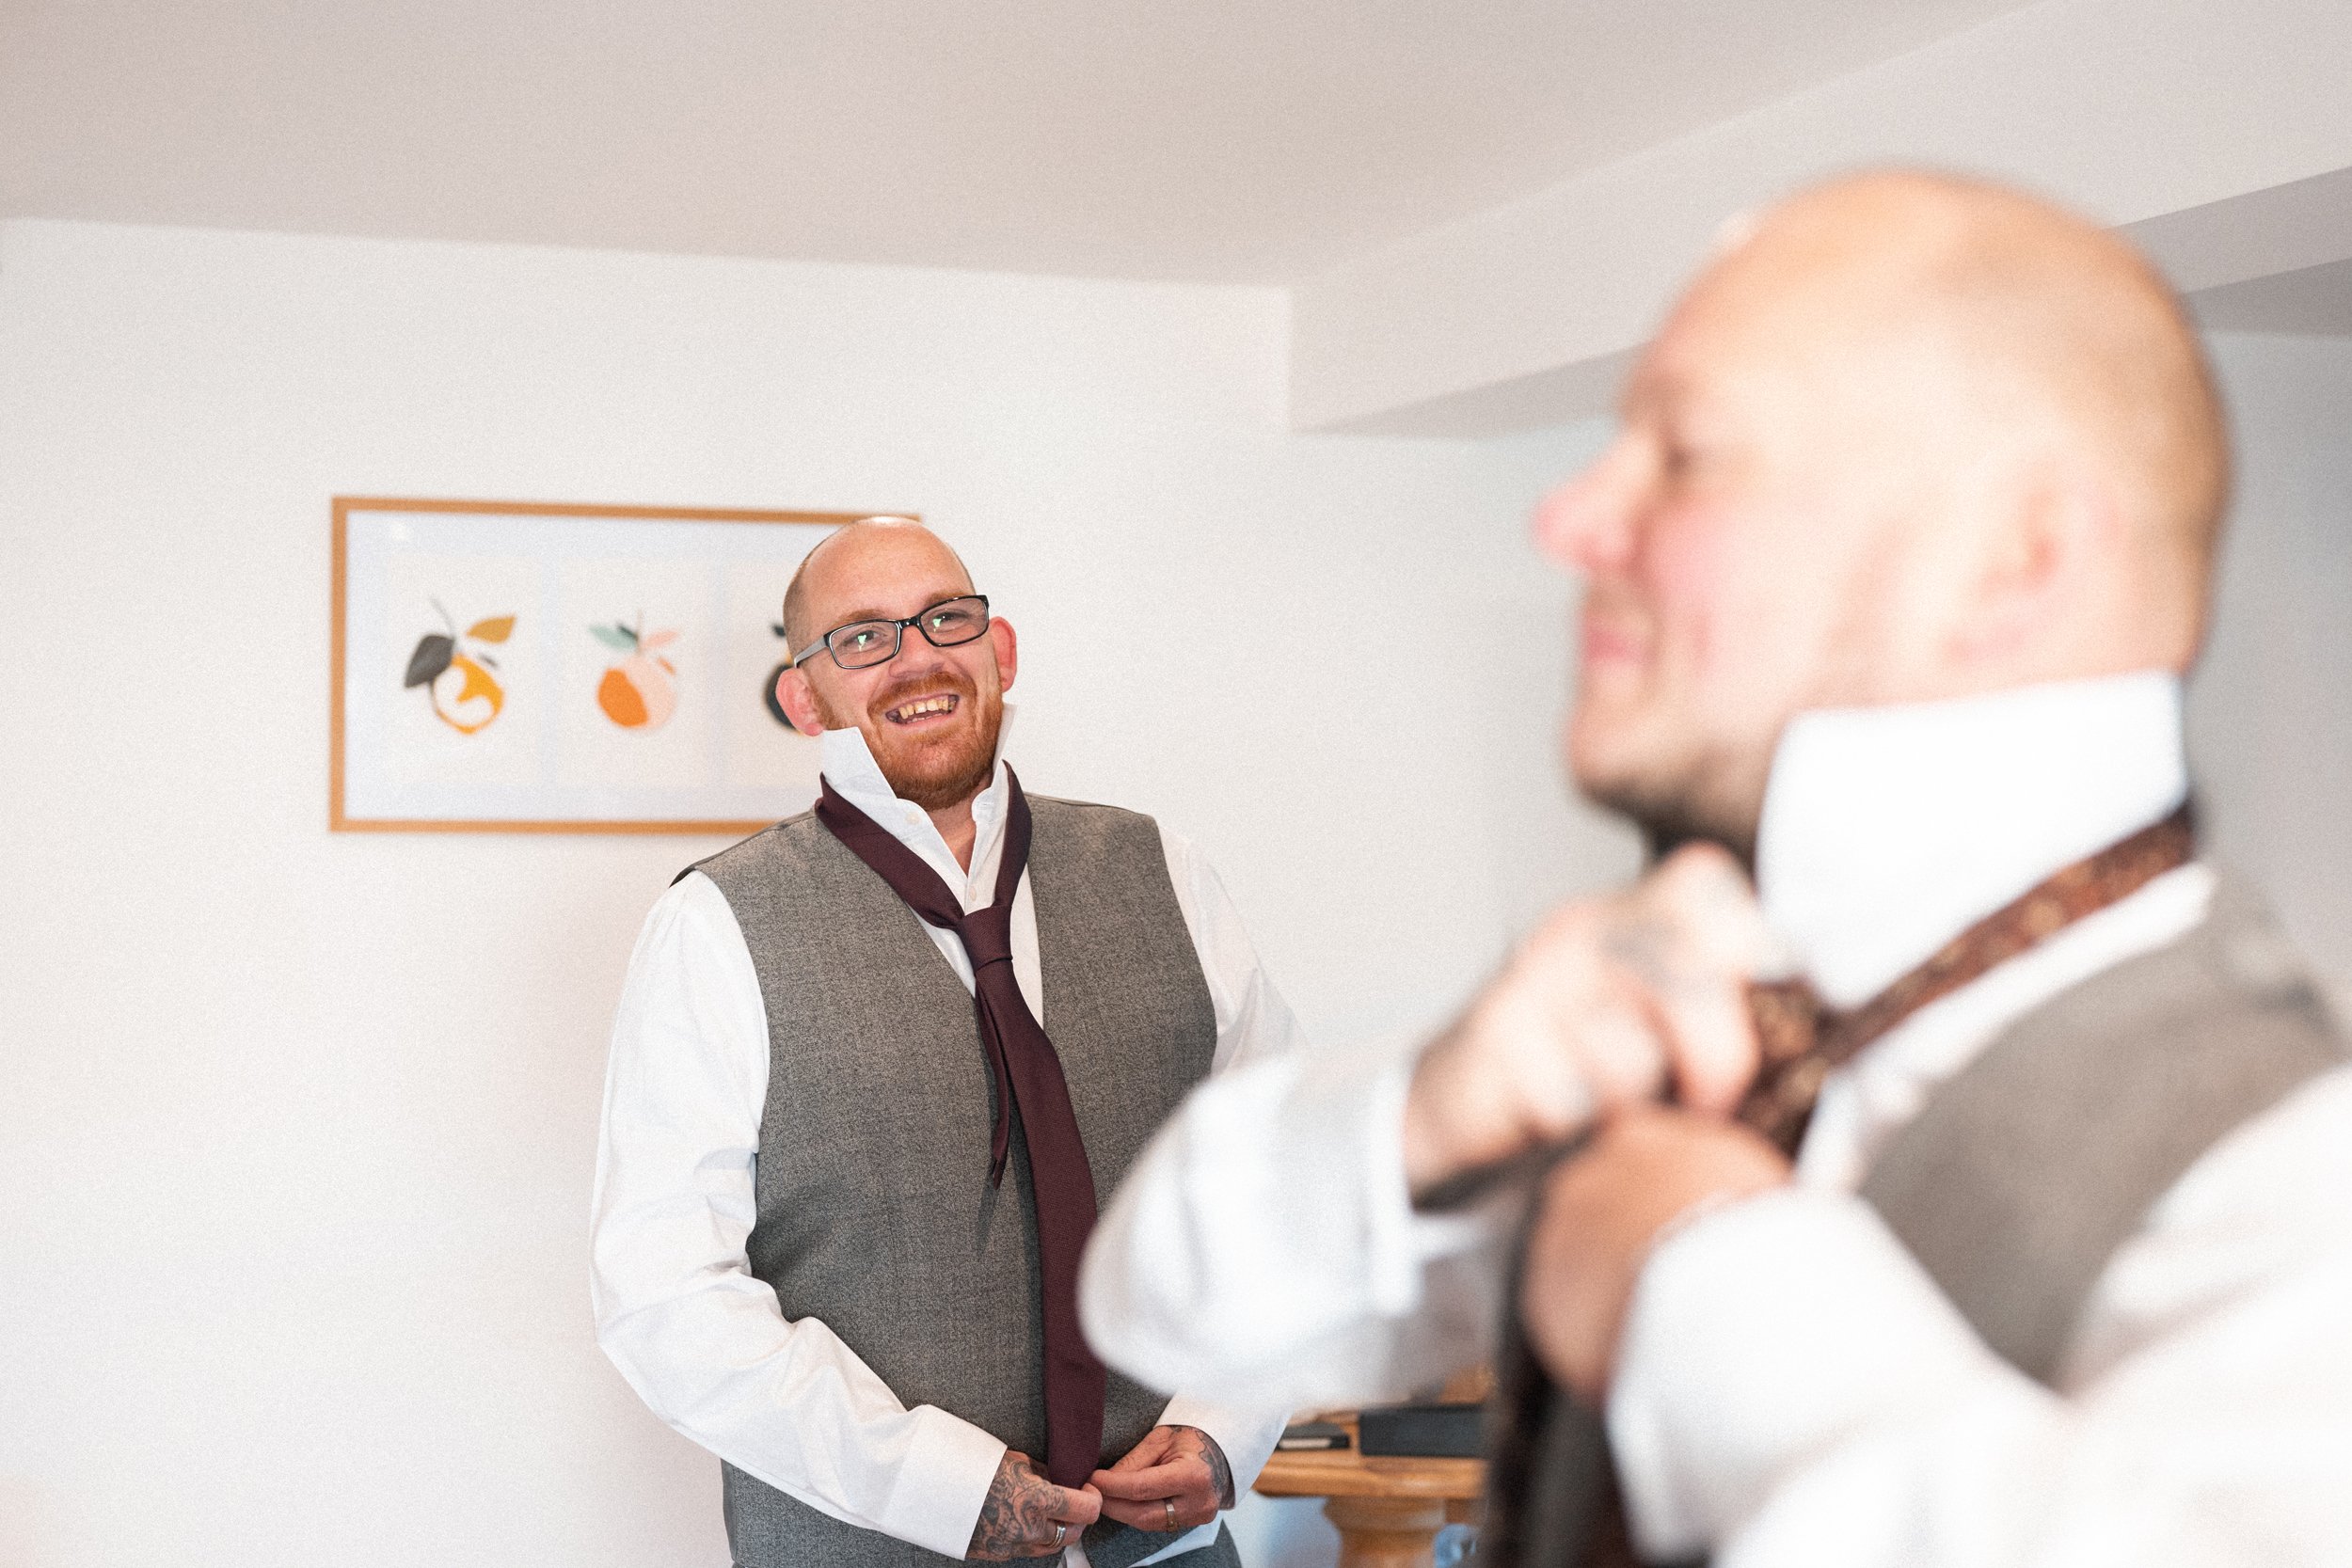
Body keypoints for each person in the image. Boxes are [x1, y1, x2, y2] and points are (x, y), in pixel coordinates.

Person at [1079, 172, 2352, 1564]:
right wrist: (1429, 1102)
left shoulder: (2296, 1170)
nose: (1569, 519)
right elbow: (1163, 1300)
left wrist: (1685, 1263)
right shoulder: (1697, 1001)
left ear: (2018, 555)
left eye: (1688, 453)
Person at [593, 517, 1296, 1567]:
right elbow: (663, 1294)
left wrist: (1231, 1419)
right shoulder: (714, 925)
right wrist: (933, 1484)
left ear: (999, 650)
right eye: (863, 637)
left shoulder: (1164, 869)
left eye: (944, 619)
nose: (917, 655)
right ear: (804, 696)